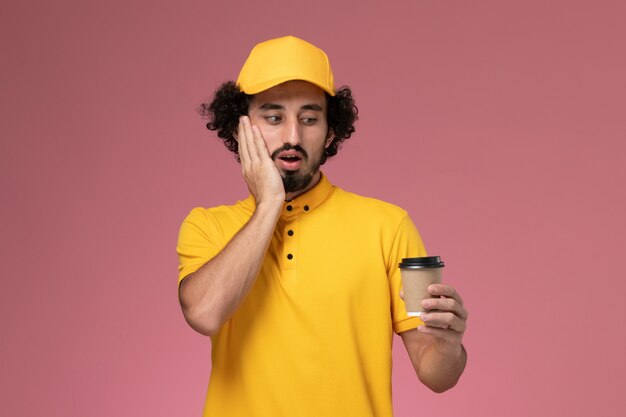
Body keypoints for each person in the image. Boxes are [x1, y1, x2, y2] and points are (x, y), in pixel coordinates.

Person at [177, 36, 468, 417]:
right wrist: (269, 205)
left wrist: (449, 345)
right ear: (241, 129)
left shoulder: (388, 225)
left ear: (331, 132)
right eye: (273, 117)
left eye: (310, 119)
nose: (293, 137)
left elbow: (436, 375)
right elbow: (204, 314)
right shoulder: (208, 226)